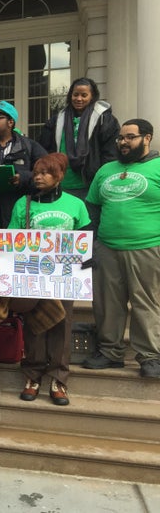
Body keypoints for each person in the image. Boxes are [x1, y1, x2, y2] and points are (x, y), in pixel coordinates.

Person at [7, 153, 91, 405]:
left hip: (66, 274)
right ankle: (32, 375)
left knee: (62, 325)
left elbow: (85, 235)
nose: (39, 177)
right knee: (34, 323)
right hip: (33, 272)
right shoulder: (24, 203)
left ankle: (58, 378)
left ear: (59, 176)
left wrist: (87, 258)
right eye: (37, 172)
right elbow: (12, 237)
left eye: (46, 173)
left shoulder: (75, 204)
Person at [82, 118, 160, 378]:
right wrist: (91, 244)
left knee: (146, 302)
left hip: (148, 247)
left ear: (147, 138)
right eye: (120, 138)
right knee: (107, 303)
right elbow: (92, 208)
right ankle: (110, 352)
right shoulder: (106, 170)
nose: (123, 142)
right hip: (107, 247)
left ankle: (150, 356)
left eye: (130, 137)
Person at [38, 77, 119, 200]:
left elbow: (110, 154)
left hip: (90, 185)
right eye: (75, 94)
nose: (79, 99)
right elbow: (44, 148)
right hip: (61, 185)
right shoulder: (57, 119)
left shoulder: (105, 119)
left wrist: (101, 178)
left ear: (92, 96)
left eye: (84, 95)